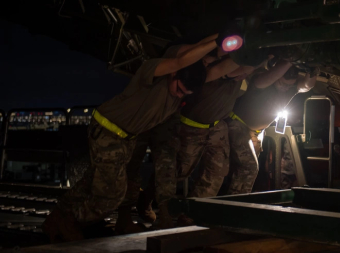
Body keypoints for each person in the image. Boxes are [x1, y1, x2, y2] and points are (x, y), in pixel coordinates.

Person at [42, 34, 226, 242]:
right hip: (108, 130)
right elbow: (182, 59)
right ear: (173, 73)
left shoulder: (182, 86)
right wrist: (218, 39)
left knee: (90, 182)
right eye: (179, 89)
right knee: (111, 194)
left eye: (185, 93)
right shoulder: (153, 72)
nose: (179, 95)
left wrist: (236, 49)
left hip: (123, 138)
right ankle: (71, 221)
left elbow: (218, 70)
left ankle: (56, 219)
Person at [118, 51, 243, 231]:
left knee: (168, 171)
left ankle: (166, 218)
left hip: (166, 124)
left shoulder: (186, 79)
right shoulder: (159, 69)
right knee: (133, 168)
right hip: (139, 123)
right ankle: (126, 216)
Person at [226, 60, 318, 195]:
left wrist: (313, 70)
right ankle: (235, 202)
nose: (285, 88)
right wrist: (289, 61)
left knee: (245, 169)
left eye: (289, 85)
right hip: (239, 126)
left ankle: (238, 199)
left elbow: (306, 86)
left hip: (256, 133)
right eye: (283, 83)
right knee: (249, 167)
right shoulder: (261, 82)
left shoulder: (289, 88)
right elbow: (268, 77)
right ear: (277, 76)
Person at [174, 58, 255, 201]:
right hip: (192, 127)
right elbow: (239, 68)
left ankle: (193, 214)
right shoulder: (211, 72)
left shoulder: (238, 75)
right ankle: (150, 199)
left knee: (215, 174)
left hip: (217, 126)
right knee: (179, 170)